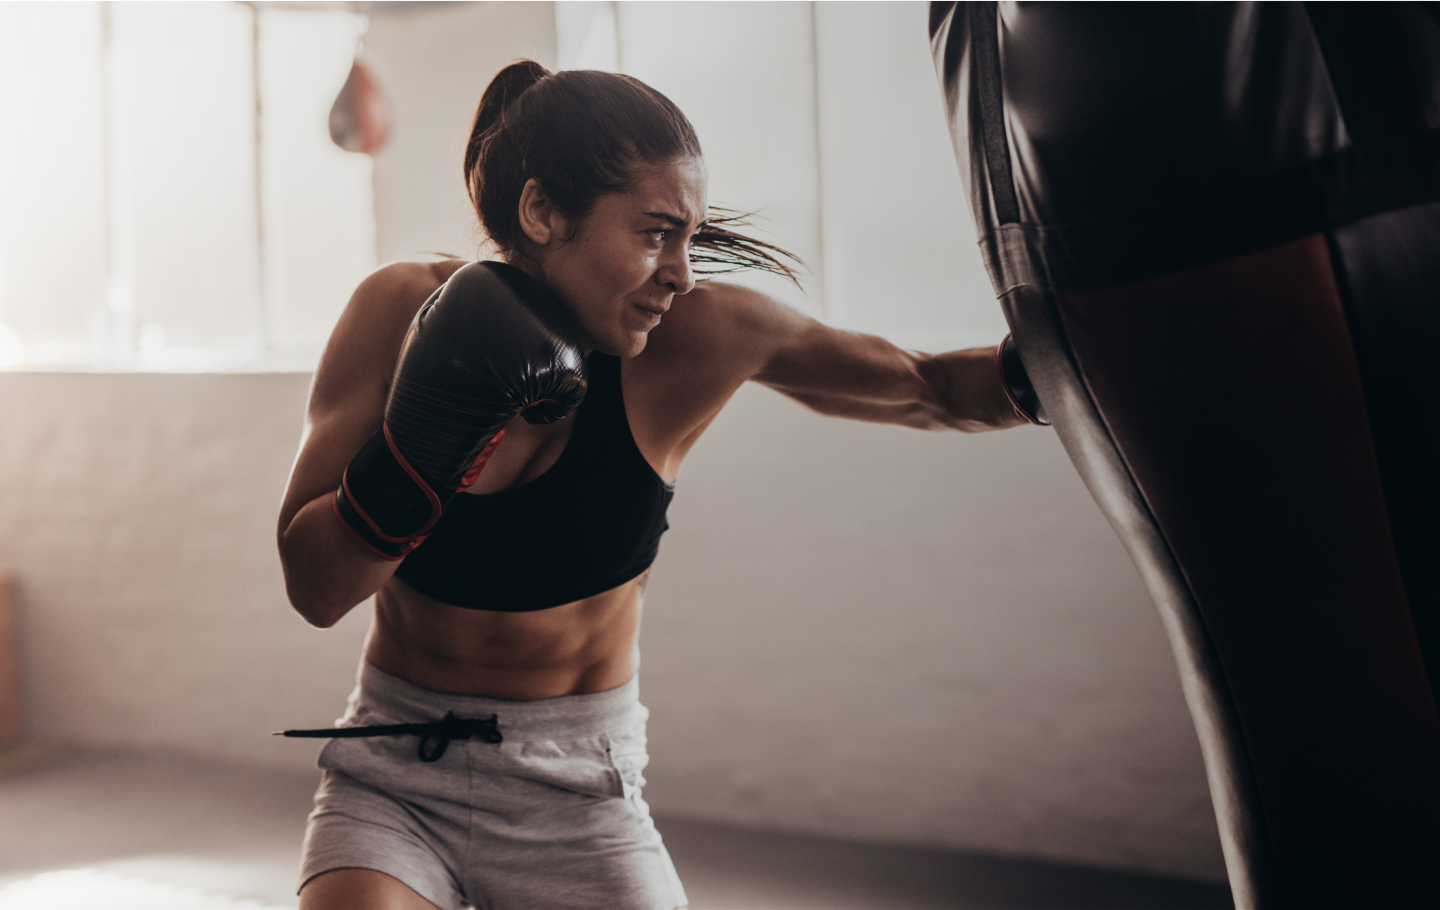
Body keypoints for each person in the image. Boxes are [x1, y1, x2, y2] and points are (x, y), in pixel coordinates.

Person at [276, 59, 1030, 910]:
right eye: (654, 232)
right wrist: (425, 441)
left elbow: (928, 387)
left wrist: (1078, 357)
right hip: (395, 776)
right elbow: (315, 588)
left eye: (690, 238)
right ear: (542, 212)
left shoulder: (702, 338)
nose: (682, 272)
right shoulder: (396, 313)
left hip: (578, 794)